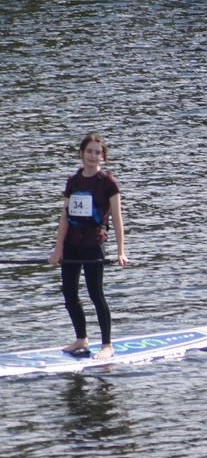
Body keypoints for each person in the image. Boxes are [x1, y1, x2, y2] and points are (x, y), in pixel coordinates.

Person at [48, 132, 127, 360]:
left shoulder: (108, 183)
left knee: (95, 293)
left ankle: (107, 345)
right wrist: (57, 249)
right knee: (70, 294)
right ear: (82, 154)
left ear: (102, 156)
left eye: (97, 152)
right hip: (72, 245)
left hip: (93, 245)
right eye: (89, 151)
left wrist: (121, 251)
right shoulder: (73, 181)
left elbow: (118, 219)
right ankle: (81, 338)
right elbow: (64, 217)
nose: (93, 156)